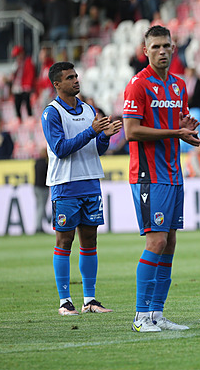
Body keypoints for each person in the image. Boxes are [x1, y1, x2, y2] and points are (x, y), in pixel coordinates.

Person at [123, 25, 200, 332]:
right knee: (155, 240)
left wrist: (187, 130)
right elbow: (131, 131)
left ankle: (157, 314)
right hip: (148, 175)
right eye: (155, 46)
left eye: (166, 46)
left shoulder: (178, 85)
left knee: (169, 243)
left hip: (173, 173)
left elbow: (179, 125)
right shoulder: (137, 85)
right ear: (145, 51)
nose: (162, 51)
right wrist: (175, 131)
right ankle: (141, 317)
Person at [41, 61, 122, 316]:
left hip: (91, 182)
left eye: (76, 76)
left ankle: (90, 300)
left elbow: (97, 149)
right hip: (65, 184)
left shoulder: (88, 109)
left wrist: (105, 135)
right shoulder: (52, 113)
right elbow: (60, 149)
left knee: (90, 240)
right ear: (57, 84)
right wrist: (91, 131)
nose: (76, 80)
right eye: (69, 77)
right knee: (65, 240)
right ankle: (65, 301)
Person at [10, 45, 35, 120]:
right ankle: (18, 119)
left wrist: (29, 85)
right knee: (17, 105)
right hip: (17, 88)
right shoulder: (16, 64)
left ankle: (30, 118)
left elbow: (31, 74)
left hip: (25, 87)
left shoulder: (28, 62)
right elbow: (13, 76)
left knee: (27, 104)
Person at [34, 147, 50, 234]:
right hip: (43, 188)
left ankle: (40, 224)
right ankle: (38, 227)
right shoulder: (45, 164)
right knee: (41, 207)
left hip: (36, 187)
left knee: (39, 207)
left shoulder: (36, 163)